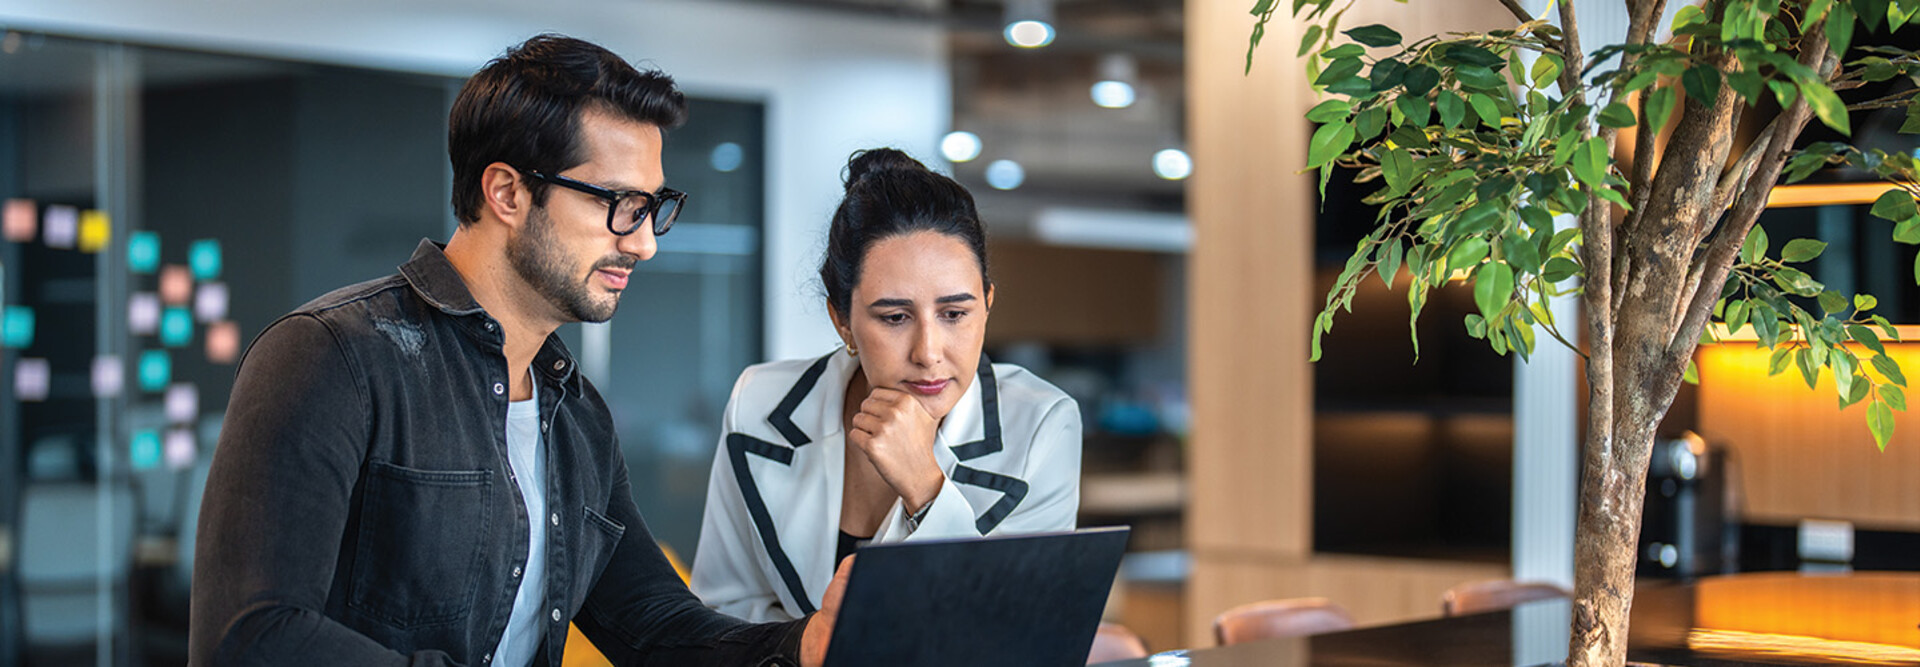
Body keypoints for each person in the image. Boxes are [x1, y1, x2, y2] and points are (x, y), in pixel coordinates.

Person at [189, 34, 845, 667]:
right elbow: (255, 636)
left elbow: (652, 624)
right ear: (506, 192)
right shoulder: (332, 356)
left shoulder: (576, 412)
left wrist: (799, 646)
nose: (644, 243)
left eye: (654, 207)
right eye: (620, 204)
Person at [690, 149, 1081, 622]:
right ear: (843, 322)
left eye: (955, 314)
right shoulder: (760, 401)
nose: (929, 352)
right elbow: (724, 613)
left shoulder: (1043, 423)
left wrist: (926, 488)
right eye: (895, 317)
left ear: (987, 304)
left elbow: (1017, 632)